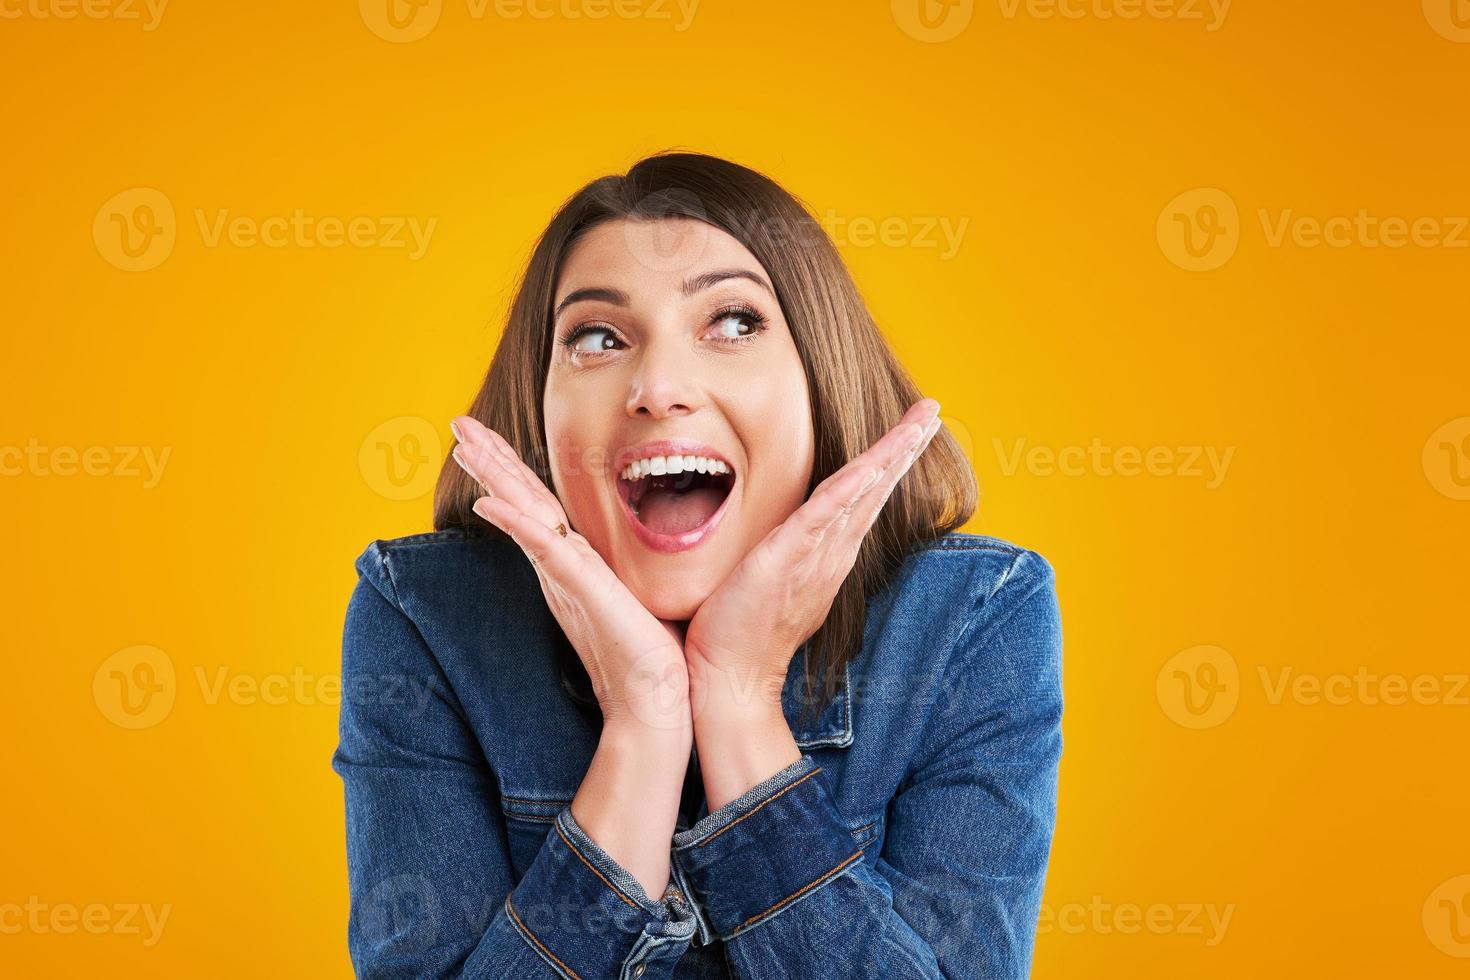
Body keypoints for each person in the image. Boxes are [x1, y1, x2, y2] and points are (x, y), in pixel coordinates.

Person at [333, 152, 1063, 978]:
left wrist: (740, 701)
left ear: (819, 379)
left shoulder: (973, 619)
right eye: (598, 337)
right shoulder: (427, 616)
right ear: (538, 412)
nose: (659, 386)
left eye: (733, 322)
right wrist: (642, 729)